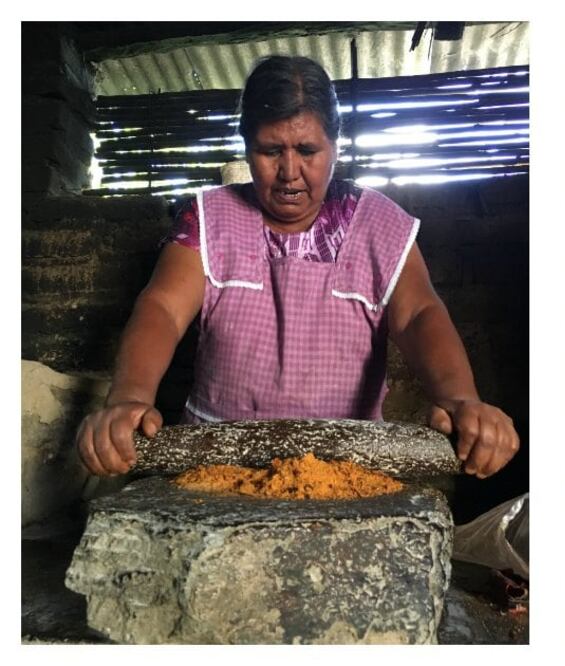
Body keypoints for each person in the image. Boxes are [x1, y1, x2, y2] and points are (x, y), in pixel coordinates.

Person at [76, 55, 519, 480]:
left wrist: (461, 399)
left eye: (308, 150)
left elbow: (419, 313)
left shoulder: (379, 224)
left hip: (347, 465)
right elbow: (163, 309)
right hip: (215, 459)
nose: (289, 171)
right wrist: (130, 397)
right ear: (247, 149)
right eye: (271, 150)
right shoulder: (208, 220)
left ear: (335, 145)